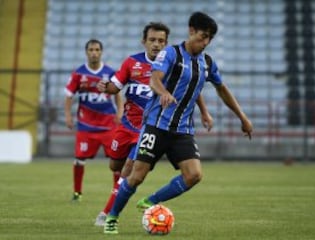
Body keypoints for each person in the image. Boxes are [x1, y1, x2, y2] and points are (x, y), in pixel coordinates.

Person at [103, 12, 253, 234]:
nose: (205, 42)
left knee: (194, 175)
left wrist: (243, 117)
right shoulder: (170, 53)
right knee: (136, 176)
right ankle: (112, 218)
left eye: (209, 38)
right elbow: (154, 79)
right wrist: (163, 92)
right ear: (191, 31)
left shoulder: (207, 62)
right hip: (155, 125)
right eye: (203, 36)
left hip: (182, 130)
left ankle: (151, 200)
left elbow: (221, 89)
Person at [95, 22, 213, 226]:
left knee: (129, 170)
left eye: (161, 41)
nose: (156, 45)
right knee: (115, 165)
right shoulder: (132, 63)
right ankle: (118, 191)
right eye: (152, 40)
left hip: (151, 127)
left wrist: (203, 111)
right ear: (144, 41)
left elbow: (194, 87)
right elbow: (115, 87)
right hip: (126, 127)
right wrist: (106, 86)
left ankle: (107, 214)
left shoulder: (173, 62)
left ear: (166, 43)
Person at [64, 39, 122, 202]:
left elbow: (118, 94)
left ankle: (116, 194)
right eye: (91, 50)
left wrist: (120, 112)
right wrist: (68, 115)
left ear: (101, 52)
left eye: (97, 49)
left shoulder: (110, 73)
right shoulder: (79, 74)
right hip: (86, 126)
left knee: (117, 161)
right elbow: (69, 96)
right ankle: (77, 193)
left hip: (109, 125)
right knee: (79, 159)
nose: (94, 53)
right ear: (86, 52)